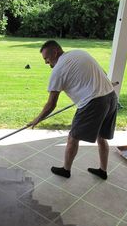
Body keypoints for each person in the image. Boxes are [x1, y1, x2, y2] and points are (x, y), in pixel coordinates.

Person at [28, 40, 118, 180]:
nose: (46, 62)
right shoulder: (79, 53)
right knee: (102, 137)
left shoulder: (57, 71)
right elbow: (103, 72)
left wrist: (37, 119)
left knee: (73, 137)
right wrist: (105, 85)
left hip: (93, 103)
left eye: (46, 58)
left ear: (55, 52)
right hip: (111, 96)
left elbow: (51, 104)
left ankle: (66, 170)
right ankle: (103, 171)